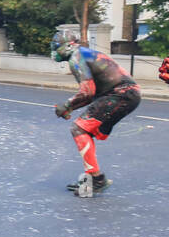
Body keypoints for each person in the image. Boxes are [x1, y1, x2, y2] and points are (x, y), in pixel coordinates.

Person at [51, 33, 141, 195]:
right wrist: (70, 108)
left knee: (79, 129)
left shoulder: (76, 58)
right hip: (127, 94)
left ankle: (97, 179)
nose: (55, 51)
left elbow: (87, 92)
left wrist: (67, 105)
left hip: (120, 94)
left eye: (57, 47)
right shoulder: (84, 53)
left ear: (69, 46)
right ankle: (92, 178)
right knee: (84, 130)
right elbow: (91, 95)